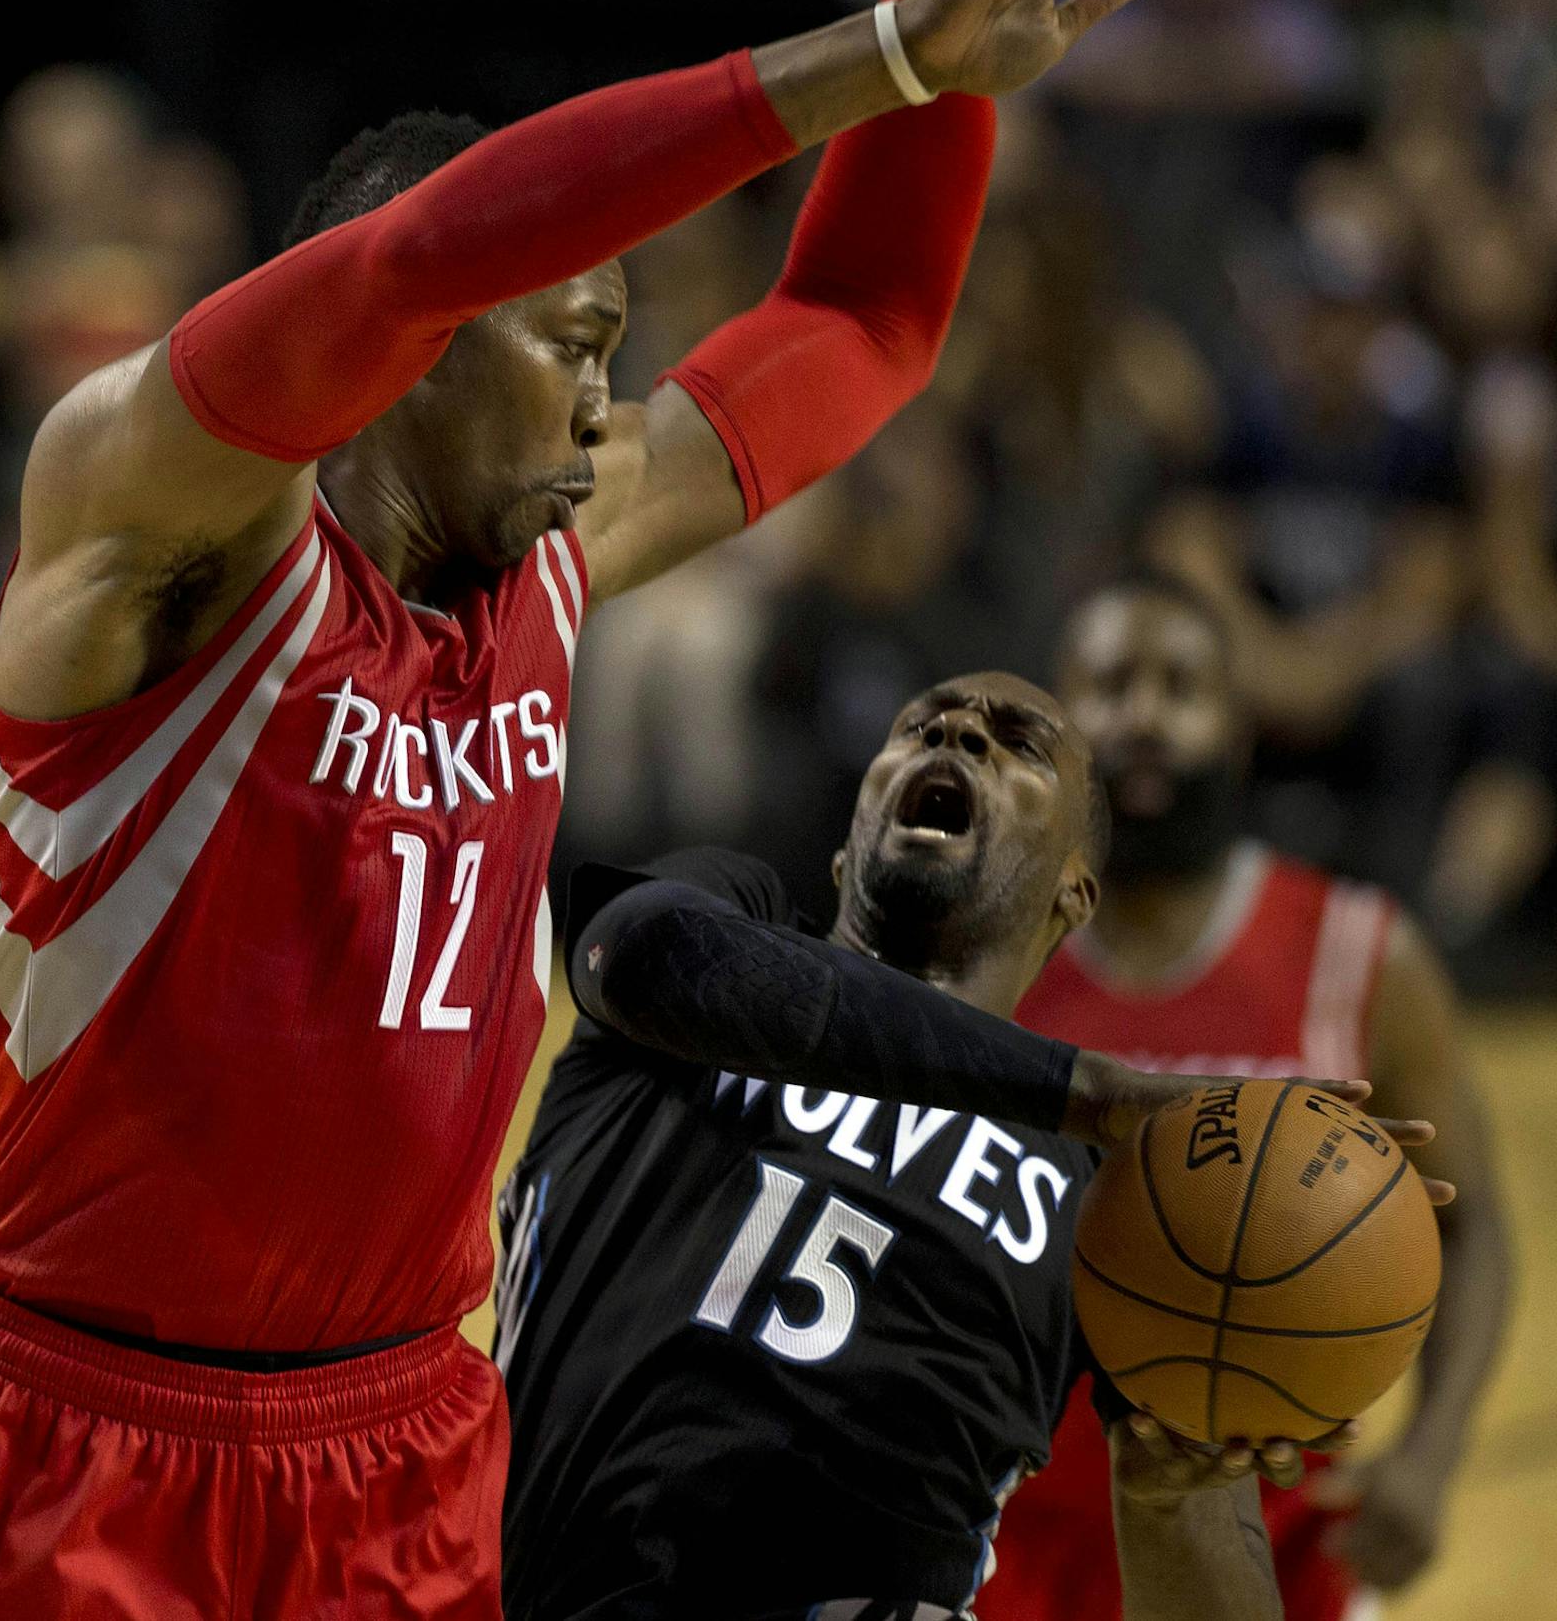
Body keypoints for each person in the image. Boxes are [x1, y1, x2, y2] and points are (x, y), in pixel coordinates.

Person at [0, 0, 1212, 1616]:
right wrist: (870, 65)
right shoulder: (150, 517)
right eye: (567, 338)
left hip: (394, 1453)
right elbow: (424, 257)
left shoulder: (558, 548)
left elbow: (860, 317)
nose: (602, 400)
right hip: (67, 1435)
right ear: (416, 357)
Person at [495, 668, 1452, 1619]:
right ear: (844, 854)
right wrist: (1091, 1089)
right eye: (920, 726)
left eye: (1019, 740)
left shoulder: (1116, 1203)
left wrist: (1172, 1489)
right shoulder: (713, 930)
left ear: (1075, 897)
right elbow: (646, 956)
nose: (958, 734)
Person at [984, 575, 1511, 1621]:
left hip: (1270, 1558)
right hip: (1005, 1538)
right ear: (1061, 734)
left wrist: (1433, 1455)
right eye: (1111, 682)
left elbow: (1479, 1225)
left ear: (1240, 728)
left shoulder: (1362, 954)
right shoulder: (981, 955)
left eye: (1181, 686)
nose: (1143, 713)